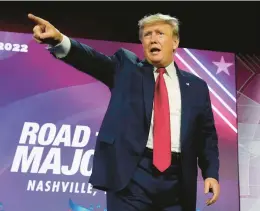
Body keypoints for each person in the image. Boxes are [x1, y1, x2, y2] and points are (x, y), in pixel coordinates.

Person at [28, 13, 220, 211]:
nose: (153, 39)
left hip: (177, 181)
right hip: (133, 175)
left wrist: (211, 173)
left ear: (175, 41)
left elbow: (206, 136)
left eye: (160, 33)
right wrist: (59, 40)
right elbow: (92, 60)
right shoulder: (127, 69)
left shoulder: (196, 86)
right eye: (147, 35)